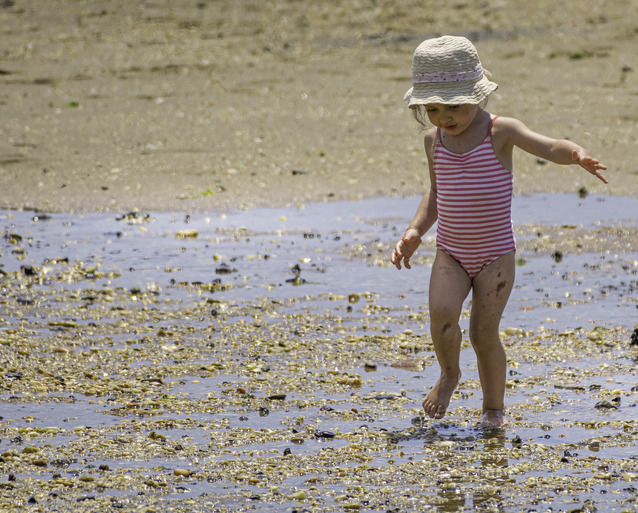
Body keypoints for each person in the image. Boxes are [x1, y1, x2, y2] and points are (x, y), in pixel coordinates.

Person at [391, 35, 608, 428]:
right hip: (451, 253)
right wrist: (414, 231)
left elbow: (548, 146)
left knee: (483, 333)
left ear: (478, 95)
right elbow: (436, 193)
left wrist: (575, 155)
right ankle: (450, 374)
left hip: (495, 256)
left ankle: (494, 408)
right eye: (434, 109)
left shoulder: (499, 131)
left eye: (455, 106)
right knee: (441, 316)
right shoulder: (433, 140)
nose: (445, 117)